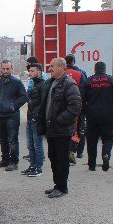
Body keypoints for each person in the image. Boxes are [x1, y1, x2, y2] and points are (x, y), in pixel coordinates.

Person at [37, 58, 81, 198]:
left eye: (52, 66)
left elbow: (75, 107)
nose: (50, 68)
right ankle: (57, 185)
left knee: (62, 159)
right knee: (53, 157)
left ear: (62, 67)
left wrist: (59, 120)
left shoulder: (69, 84)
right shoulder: (50, 82)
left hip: (62, 129)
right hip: (51, 129)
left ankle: (62, 187)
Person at [82, 61, 113, 172]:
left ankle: (92, 165)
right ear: (104, 69)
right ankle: (106, 154)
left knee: (92, 141)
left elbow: (82, 98)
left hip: (92, 115)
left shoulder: (88, 81)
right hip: (108, 115)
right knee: (108, 137)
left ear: (95, 69)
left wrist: (85, 112)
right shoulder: (111, 80)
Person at [0, 60, 27, 171]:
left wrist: (14, 106)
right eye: (3, 69)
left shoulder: (16, 82)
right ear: (1, 69)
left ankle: (14, 162)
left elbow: (24, 97)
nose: (5, 71)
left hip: (12, 115)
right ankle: (5, 160)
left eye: (8, 69)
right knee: (2, 139)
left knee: (13, 140)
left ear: (11, 69)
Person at [22, 62, 46, 177]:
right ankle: (32, 166)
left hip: (37, 119)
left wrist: (38, 117)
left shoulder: (42, 85)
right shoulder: (34, 84)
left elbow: (43, 103)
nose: (30, 73)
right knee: (30, 144)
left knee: (37, 144)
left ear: (39, 72)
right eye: (30, 71)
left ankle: (38, 168)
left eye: (32, 71)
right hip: (30, 117)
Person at [64, 54, 88, 163]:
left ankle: (66, 151)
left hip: (64, 106)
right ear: (74, 62)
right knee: (79, 129)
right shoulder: (80, 73)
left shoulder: (61, 73)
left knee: (66, 129)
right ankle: (79, 151)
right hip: (77, 106)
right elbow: (84, 90)